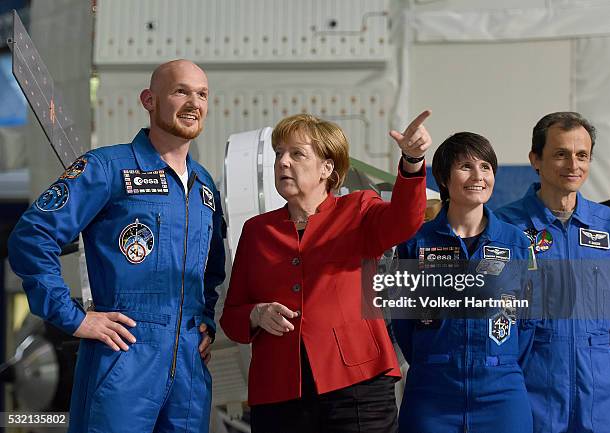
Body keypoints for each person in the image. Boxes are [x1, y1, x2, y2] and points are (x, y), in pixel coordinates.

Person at [8, 59, 225, 433]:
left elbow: (211, 269)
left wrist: (204, 322)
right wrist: (73, 318)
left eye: (202, 94)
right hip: (123, 356)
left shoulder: (204, 187)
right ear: (149, 100)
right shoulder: (107, 168)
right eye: (181, 91)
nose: (194, 102)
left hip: (189, 366)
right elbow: (32, 236)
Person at [220, 111, 431, 432]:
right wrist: (256, 314)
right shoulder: (256, 231)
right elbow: (233, 318)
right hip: (279, 395)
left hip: (358, 388)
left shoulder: (358, 209)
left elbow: (405, 220)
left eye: (296, 154)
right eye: (279, 154)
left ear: (327, 168)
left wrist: (412, 161)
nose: (282, 162)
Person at [392, 132, 534, 433]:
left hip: (502, 393)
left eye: (485, 166)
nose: (478, 176)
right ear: (443, 177)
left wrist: (499, 361)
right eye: (466, 166)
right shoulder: (416, 243)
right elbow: (403, 320)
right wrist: (435, 359)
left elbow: (528, 321)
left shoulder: (515, 243)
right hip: (432, 394)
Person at [496, 112, 610, 433]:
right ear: (535, 159)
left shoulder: (607, 226)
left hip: (602, 398)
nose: (573, 165)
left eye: (582, 155)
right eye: (560, 154)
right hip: (533, 396)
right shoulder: (504, 227)